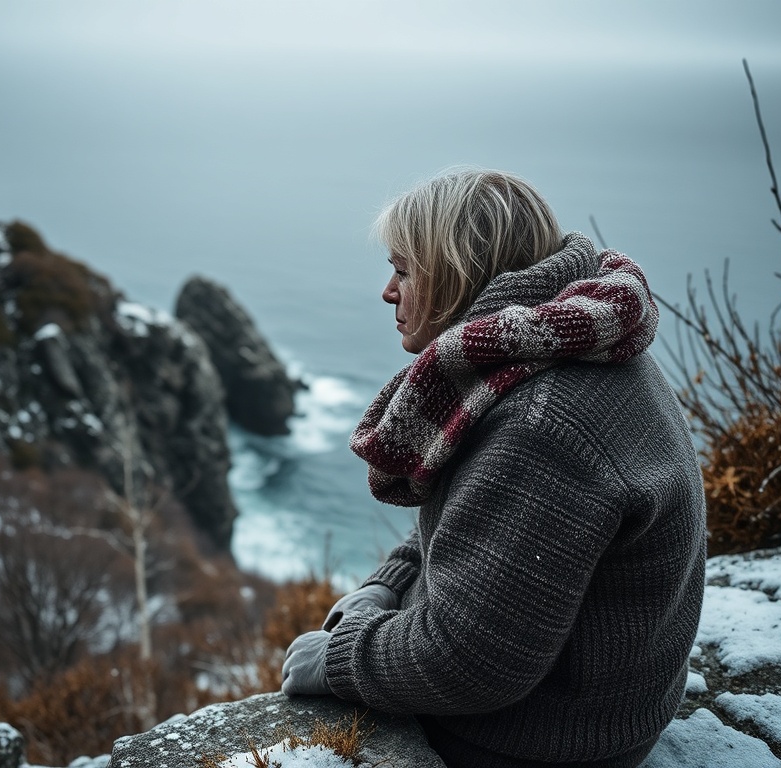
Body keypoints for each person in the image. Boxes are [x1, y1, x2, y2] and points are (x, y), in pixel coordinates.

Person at [280, 169, 706, 768]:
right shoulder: (563, 347)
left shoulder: (540, 425)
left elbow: (470, 662)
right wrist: (388, 585)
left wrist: (339, 658)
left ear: (458, 276)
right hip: (598, 711)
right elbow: (477, 511)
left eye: (404, 270)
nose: (387, 290)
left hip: (541, 744)